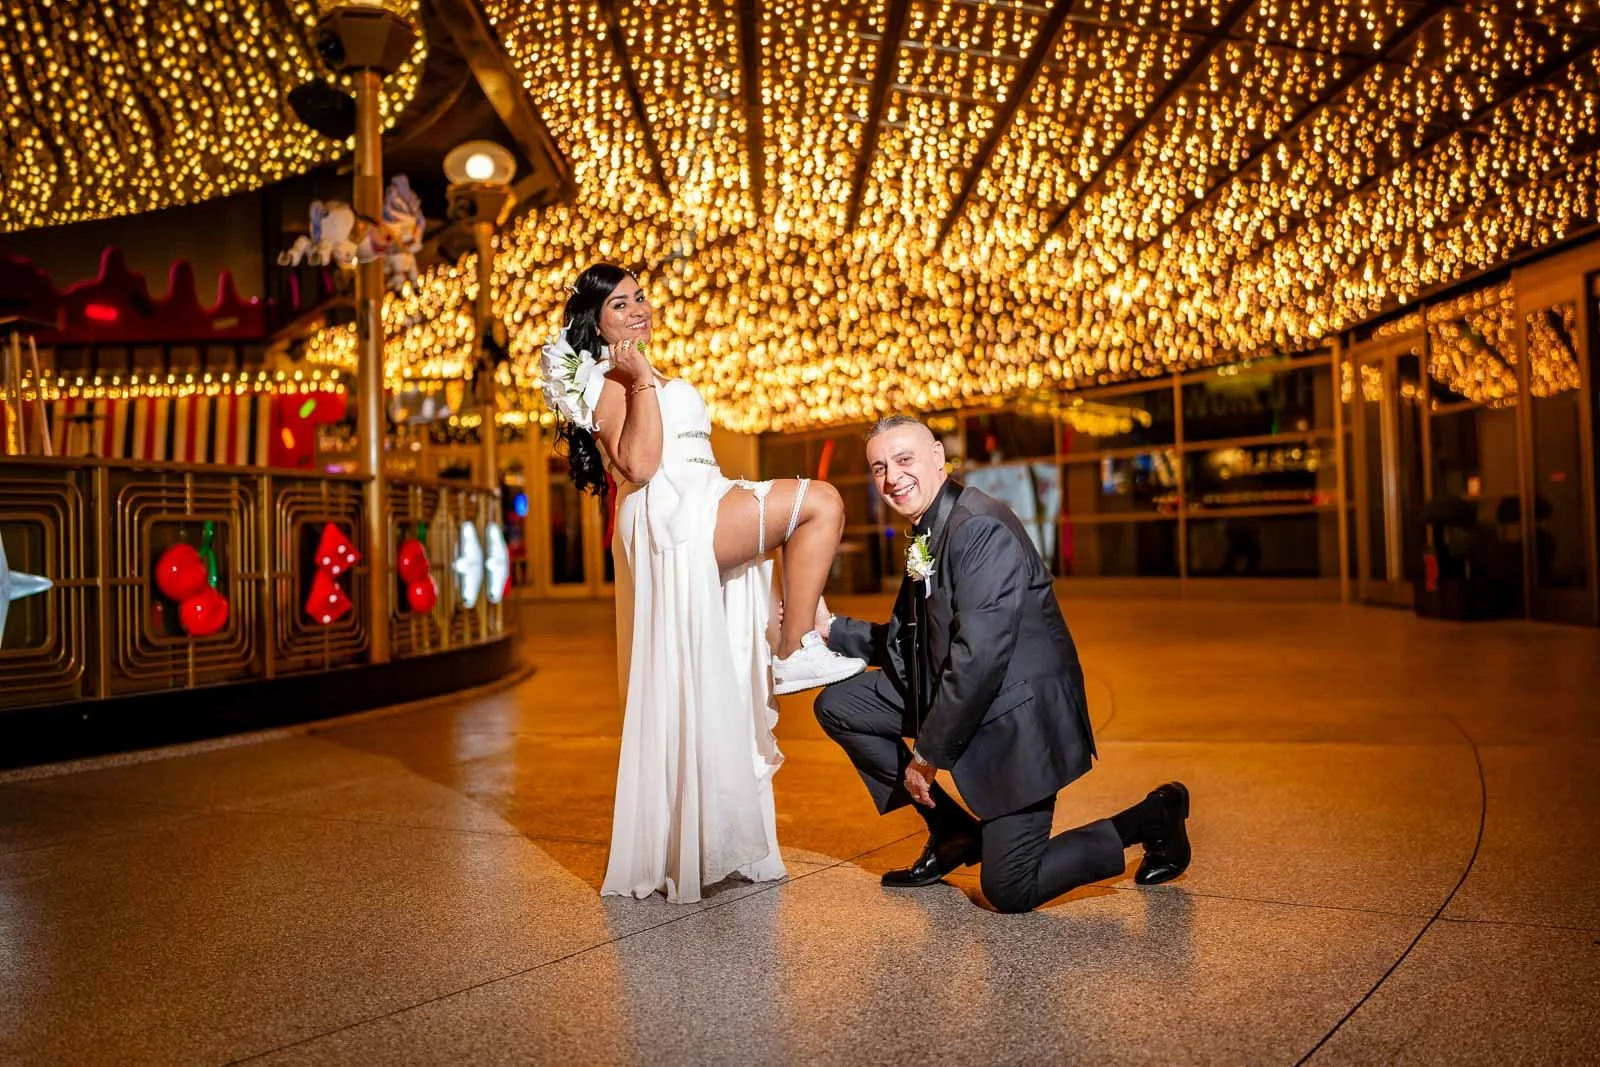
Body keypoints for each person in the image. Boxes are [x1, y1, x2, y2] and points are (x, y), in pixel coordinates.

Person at [550, 263, 867, 904]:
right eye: (619, 304)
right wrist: (638, 382)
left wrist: (648, 378)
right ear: (596, 321)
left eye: (640, 298)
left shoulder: (641, 370)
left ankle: (790, 643)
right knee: (821, 503)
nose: (637, 309)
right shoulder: (612, 378)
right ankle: (792, 646)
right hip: (675, 514)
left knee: (715, 672)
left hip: (704, 495)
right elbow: (637, 465)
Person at [812, 415, 1192, 913]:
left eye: (904, 460)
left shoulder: (979, 529)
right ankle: (952, 833)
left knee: (1009, 889)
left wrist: (926, 759)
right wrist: (832, 628)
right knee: (841, 704)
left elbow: (978, 659)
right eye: (879, 467)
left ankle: (1151, 817)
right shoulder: (930, 528)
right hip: (966, 693)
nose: (891, 477)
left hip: (1014, 716)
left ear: (938, 459)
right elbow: (916, 643)